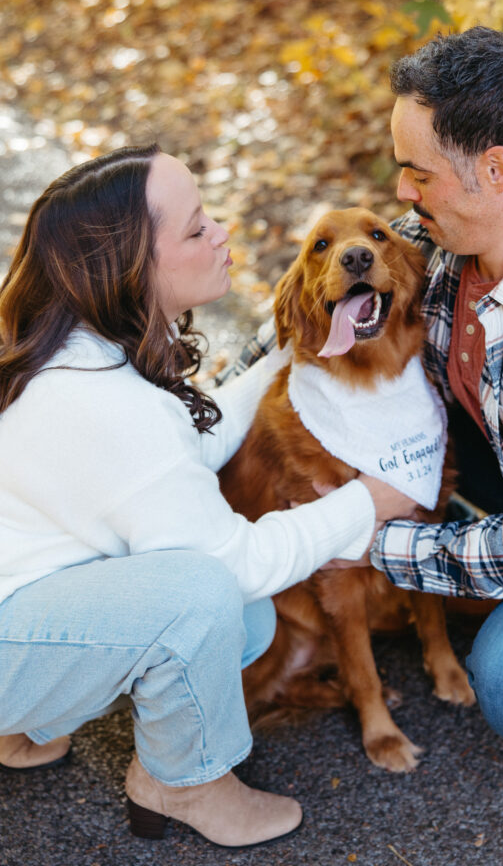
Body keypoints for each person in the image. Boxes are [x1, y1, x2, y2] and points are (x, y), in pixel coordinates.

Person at [233, 27, 503, 763]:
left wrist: (363, 537)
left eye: (418, 173)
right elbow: (301, 313)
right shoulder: (441, 236)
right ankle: (472, 566)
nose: (403, 193)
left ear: (496, 170)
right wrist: (206, 411)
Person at [0, 145, 415, 848]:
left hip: (18, 594)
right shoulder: (103, 403)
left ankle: (21, 725)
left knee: (245, 621)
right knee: (203, 594)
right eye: (197, 229)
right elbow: (236, 565)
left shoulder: (77, 348)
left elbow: (183, 449)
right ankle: (184, 781)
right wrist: (367, 503)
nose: (221, 233)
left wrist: (290, 350)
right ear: (131, 267)